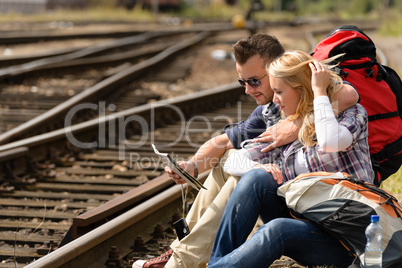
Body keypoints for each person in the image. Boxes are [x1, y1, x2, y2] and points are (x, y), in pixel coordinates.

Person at [133, 34, 358, 268]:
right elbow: (221, 143)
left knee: (244, 177)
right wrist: (192, 167)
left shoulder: (329, 99)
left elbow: (348, 94)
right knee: (230, 161)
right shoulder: (270, 111)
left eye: (254, 81)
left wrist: (299, 122)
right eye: (243, 82)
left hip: (330, 214)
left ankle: (184, 261)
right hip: (296, 203)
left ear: (276, 71)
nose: (248, 91)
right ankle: (180, 252)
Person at [208, 50, 374, 268]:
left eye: (279, 91)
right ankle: (216, 263)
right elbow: (233, 161)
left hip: (347, 238)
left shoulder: (351, 115)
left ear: (301, 89)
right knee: (257, 178)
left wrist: (319, 91)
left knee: (277, 230)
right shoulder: (288, 129)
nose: (275, 100)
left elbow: (329, 142)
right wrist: (260, 167)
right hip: (306, 228)